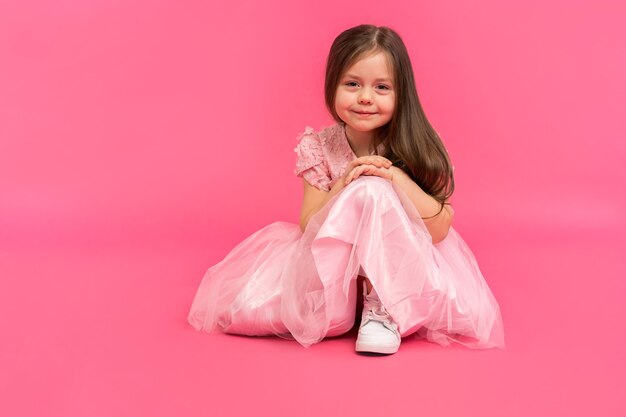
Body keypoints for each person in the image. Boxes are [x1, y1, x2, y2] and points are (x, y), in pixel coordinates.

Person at [187, 24, 505, 355]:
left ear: (401, 93)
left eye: (382, 87)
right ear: (333, 85)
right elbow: (309, 226)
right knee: (251, 310)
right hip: (332, 270)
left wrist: (392, 176)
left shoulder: (420, 146)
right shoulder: (319, 145)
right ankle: (336, 306)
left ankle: (383, 307)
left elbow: (439, 231)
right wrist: (346, 180)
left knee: (375, 189)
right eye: (352, 84)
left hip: (404, 274)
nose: (365, 97)